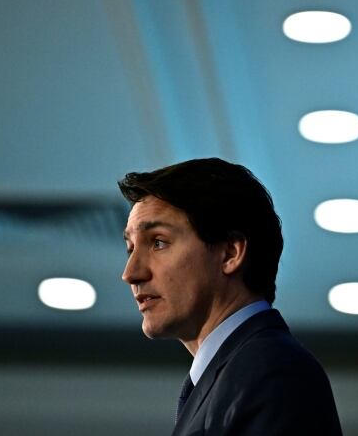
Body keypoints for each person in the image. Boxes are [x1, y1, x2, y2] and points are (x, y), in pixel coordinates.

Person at [119, 158, 342, 436]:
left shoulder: (273, 372)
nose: (131, 273)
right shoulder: (237, 374)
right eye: (130, 249)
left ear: (230, 253)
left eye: (158, 242)